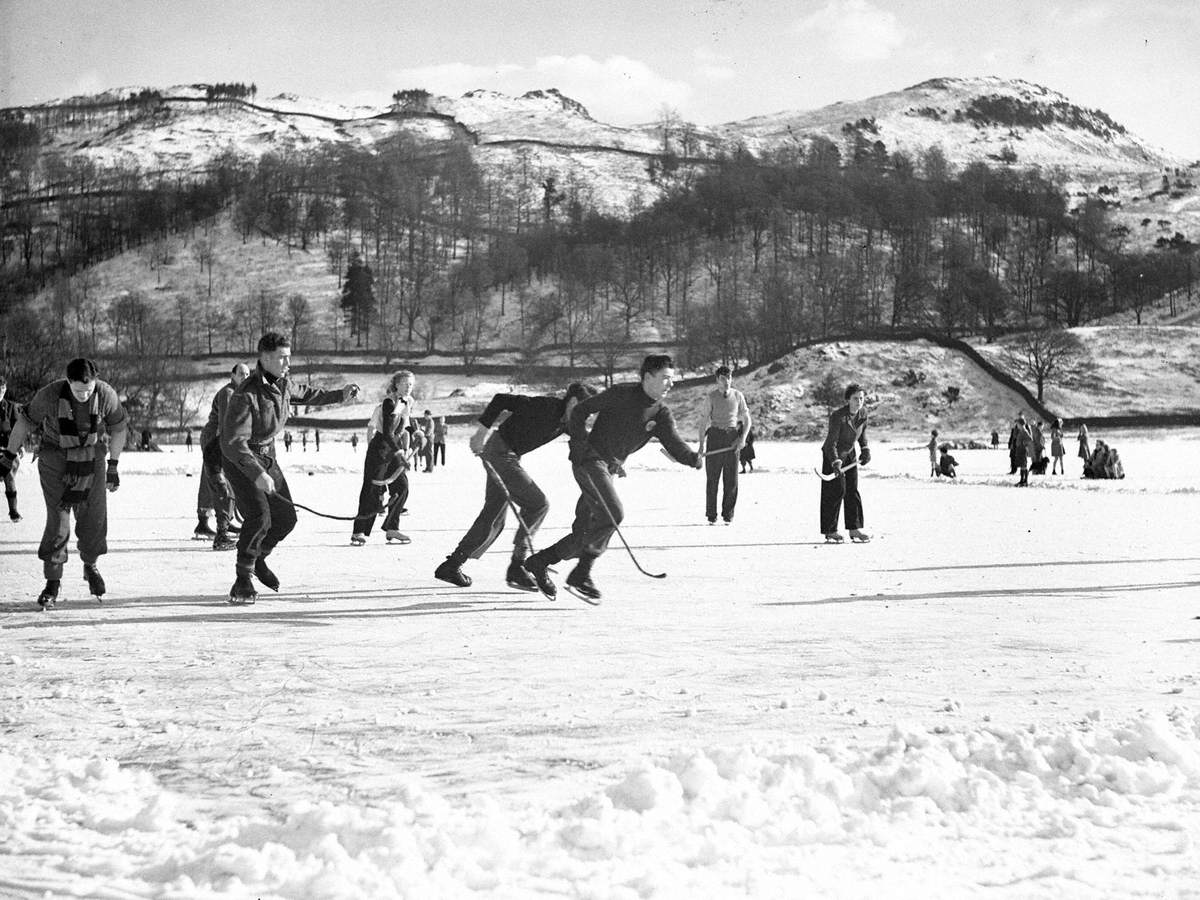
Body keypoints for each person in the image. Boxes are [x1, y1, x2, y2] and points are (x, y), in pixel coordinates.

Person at [522, 355, 701, 602]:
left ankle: (539, 562)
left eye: (672, 379)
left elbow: (675, 444)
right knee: (613, 514)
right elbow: (580, 411)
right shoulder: (621, 393)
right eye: (665, 379)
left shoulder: (661, 414)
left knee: (586, 533)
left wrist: (693, 459)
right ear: (648, 377)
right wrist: (578, 445)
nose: (670, 384)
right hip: (590, 461)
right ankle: (581, 575)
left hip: (608, 469)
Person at [220, 333, 359, 604]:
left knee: (285, 518)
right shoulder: (245, 394)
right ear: (265, 358)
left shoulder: (282, 384)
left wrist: (339, 395)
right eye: (283, 357)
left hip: (266, 455)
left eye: (289, 356)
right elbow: (233, 442)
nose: (288, 362)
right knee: (259, 517)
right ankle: (243, 579)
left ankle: (258, 559)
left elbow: (308, 394)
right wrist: (257, 473)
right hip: (241, 459)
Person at [435, 382, 597, 589]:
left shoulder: (568, 422)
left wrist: (611, 461)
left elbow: (585, 442)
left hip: (507, 455)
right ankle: (518, 565)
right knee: (538, 504)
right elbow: (500, 399)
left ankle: (452, 565)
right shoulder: (545, 405)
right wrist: (480, 433)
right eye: (585, 411)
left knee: (493, 513)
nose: (586, 417)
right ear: (573, 401)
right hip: (500, 453)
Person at [0, 358, 128, 608]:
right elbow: (25, 422)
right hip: (55, 459)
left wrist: (113, 464)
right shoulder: (49, 394)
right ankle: (53, 581)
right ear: (68, 382)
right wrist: (9, 455)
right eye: (79, 391)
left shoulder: (105, 394)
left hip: (92, 458)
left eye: (88, 391)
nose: (84, 396)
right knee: (58, 521)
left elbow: (119, 428)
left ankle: (90, 565)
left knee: (94, 518)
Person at [351, 370, 415, 546]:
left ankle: (392, 527)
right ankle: (359, 531)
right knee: (372, 492)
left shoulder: (407, 402)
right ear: (396, 385)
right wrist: (400, 452)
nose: (409, 388)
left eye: (411, 384)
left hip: (393, 450)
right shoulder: (389, 403)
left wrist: (416, 432)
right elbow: (387, 432)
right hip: (379, 450)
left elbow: (406, 424)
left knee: (402, 486)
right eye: (405, 384)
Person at [196, 363, 250, 550]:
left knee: (224, 482)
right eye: (241, 373)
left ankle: (223, 523)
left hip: (224, 439)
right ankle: (219, 529)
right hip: (216, 439)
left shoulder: (241, 393)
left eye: (247, 374)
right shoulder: (228, 393)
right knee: (219, 483)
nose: (245, 376)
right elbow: (226, 424)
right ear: (232, 375)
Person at [698, 365, 751, 525]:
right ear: (717, 380)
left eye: (728, 378)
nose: (726, 381)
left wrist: (742, 438)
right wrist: (701, 445)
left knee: (731, 479)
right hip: (715, 437)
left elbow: (747, 419)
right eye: (723, 378)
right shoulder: (711, 397)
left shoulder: (738, 395)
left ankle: (728, 514)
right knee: (712, 479)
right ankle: (711, 515)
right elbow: (703, 422)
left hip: (732, 438)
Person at [819, 384, 871, 543]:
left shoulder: (862, 414)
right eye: (855, 398)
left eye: (861, 398)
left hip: (850, 454)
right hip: (833, 456)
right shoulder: (838, 416)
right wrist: (835, 462)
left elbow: (862, 434)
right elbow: (830, 443)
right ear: (848, 399)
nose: (859, 401)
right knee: (836, 491)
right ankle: (830, 530)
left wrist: (865, 448)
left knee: (852, 490)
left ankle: (854, 528)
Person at [1, 375, 23, 522]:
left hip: (8, 449)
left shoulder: (11, 407)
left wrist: (19, 446)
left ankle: (13, 511)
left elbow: (19, 428)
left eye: (1, 390)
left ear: (5, 389)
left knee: (9, 477)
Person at [1008, 413, 1032, 486]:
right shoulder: (1020, 431)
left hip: (1022, 450)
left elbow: (1030, 439)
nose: (1017, 426)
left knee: (1024, 465)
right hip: (1019, 450)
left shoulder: (1024, 431)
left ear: (1021, 424)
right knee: (1022, 465)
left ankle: (1025, 481)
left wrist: (1024, 444)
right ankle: (1022, 480)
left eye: (1018, 424)